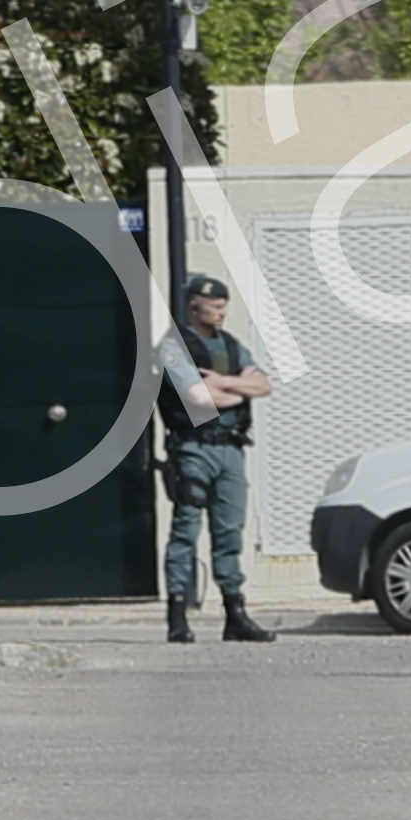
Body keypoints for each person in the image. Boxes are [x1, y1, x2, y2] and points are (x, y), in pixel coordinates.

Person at [156, 274, 276, 644]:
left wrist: (224, 385)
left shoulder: (232, 346)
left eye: (224, 304)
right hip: (193, 448)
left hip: (231, 448)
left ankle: (235, 613)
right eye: (216, 304)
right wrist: (236, 388)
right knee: (186, 531)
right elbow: (196, 397)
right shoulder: (173, 347)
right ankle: (177, 614)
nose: (223, 310)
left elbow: (264, 385)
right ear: (195, 305)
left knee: (229, 533)